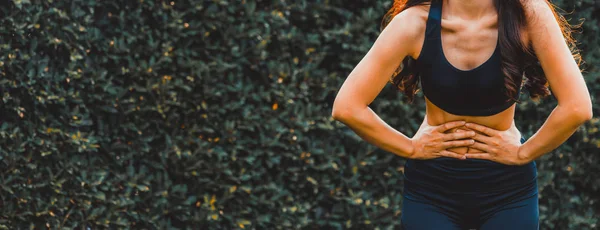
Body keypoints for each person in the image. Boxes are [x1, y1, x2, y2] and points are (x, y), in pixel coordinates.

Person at [331, 0, 592, 229]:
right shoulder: (413, 23)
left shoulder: (529, 14)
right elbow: (347, 106)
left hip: (507, 188)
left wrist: (523, 153)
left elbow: (577, 107)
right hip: (432, 187)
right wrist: (410, 148)